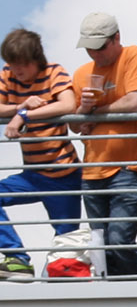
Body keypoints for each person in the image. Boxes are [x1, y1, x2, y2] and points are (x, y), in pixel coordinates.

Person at [70, 12, 137, 279]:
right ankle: (116, 295)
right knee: (101, 249)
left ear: (116, 38)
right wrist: (84, 111)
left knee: (119, 241)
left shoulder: (133, 55)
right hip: (92, 173)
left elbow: (135, 102)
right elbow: (74, 125)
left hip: (129, 169)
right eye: (89, 48)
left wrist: (95, 113)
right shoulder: (82, 73)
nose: (94, 54)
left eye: (100, 47)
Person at [0, 28, 83, 280]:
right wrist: (20, 106)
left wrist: (23, 117)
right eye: (12, 63)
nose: (17, 70)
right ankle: (17, 258)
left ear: (36, 60)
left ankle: (63, 283)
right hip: (33, 175)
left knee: (66, 242)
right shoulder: (8, 74)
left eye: (23, 64)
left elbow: (68, 104)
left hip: (64, 175)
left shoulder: (54, 72)